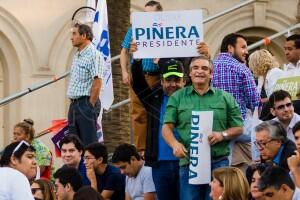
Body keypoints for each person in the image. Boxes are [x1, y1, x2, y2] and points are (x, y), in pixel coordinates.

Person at [162, 56, 244, 200]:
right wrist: (175, 144)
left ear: (211, 74)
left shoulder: (226, 98)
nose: (200, 71)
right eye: (196, 68)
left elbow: (239, 128)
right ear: (190, 74)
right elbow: (166, 128)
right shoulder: (177, 97)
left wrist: (222, 134)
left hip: (218, 162)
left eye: (205, 68)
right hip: (190, 163)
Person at [131, 58, 186, 199]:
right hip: (160, 165)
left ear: (184, 81)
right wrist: (137, 62)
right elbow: (138, 85)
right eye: (168, 80)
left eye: (176, 80)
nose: (172, 84)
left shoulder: (192, 98)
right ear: (161, 82)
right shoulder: (154, 99)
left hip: (186, 162)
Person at [212, 33, 261, 171]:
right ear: (230, 48)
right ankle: (261, 170)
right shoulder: (241, 68)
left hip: (218, 126)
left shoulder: (210, 67)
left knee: (223, 168)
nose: (246, 51)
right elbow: (254, 101)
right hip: (241, 124)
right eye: (243, 47)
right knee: (268, 134)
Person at [120, 0, 163, 152]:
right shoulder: (134, 29)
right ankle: (142, 150)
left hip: (158, 77)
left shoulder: (165, 29)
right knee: (138, 113)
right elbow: (124, 51)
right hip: (138, 76)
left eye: (150, 15)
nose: (147, 18)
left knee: (159, 112)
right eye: (145, 14)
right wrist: (125, 72)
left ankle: (158, 147)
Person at [67, 23, 103, 145]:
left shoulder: (93, 54)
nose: (71, 37)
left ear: (84, 35)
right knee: (74, 144)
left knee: (89, 144)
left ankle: (91, 165)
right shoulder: (77, 55)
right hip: (74, 105)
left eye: (74, 34)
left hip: (85, 103)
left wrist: (90, 106)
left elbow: (97, 82)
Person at [287, 121, 300, 187]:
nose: (298, 142)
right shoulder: (296, 160)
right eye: (296, 138)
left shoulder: (294, 164)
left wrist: (294, 168)